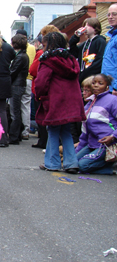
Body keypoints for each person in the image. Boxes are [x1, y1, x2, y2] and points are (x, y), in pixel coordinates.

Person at [35, 32, 86, 173]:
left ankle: (52, 163)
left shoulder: (47, 60)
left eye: (44, 45)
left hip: (55, 100)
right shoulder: (71, 59)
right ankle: (71, 162)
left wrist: (38, 95)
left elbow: (41, 82)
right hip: (71, 101)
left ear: (48, 45)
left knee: (52, 130)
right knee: (66, 131)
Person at [76, 74, 117, 175]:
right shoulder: (89, 103)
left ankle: (110, 169)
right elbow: (85, 132)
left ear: (107, 86)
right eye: (94, 83)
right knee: (72, 163)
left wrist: (113, 137)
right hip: (92, 144)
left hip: (107, 145)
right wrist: (77, 151)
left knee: (82, 166)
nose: (96, 85)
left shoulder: (112, 100)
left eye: (100, 83)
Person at [69, 17, 106, 84]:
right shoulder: (84, 44)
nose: (85, 28)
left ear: (95, 28)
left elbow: (99, 60)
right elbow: (73, 53)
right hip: (83, 78)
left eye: (88, 26)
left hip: (93, 77)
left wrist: (85, 73)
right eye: (84, 26)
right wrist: (75, 37)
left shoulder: (100, 41)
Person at [15, 29, 36, 140]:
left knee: (16, 107)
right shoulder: (32, 48)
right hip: (29, 79)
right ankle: (26, 131)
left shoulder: (17, 50)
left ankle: (17, 130)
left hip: (18, 80)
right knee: (26, 106)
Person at [8, 34, 29, 145]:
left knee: (14, 112)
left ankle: (14, 136)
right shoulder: (23, 55)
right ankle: (18, 134)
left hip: (16, 85)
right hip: (20, 84)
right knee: (17, 111)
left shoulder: (20, 57)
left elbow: (13, 72)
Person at [29, 36, 47, 149]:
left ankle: (43, 140)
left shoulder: (41, 53)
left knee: (40, 115)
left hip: (40, 89)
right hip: (44, 89)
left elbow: (33, 70)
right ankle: (43, 139)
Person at [101, 3, 117, 95]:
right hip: (108, 87)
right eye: (109, 14)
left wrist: (116, 87)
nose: (110, 17)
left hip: (114, 89)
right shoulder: (112, 37)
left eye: (114, 14)